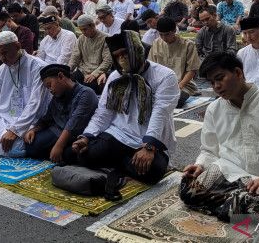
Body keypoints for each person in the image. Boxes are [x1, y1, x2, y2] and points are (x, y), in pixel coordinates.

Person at [180, 52, 259, 220]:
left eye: (220, 78)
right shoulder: (214, 109)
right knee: (187, 190)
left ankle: (234, 203)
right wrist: (200, 165)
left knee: (255, 208)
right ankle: (233, 202)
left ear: (238, 73)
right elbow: (209, 150)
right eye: (211, 82)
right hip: (229, 172)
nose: (216, 86)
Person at [71, 30, 179, 185]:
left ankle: (117, 163)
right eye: (117, 56)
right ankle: (125, 164)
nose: (121, 59)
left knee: (154, 171)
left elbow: (160, 113)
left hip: (148, 139)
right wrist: (87, 136)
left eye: (125, 53)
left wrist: (149, 147)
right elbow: (103, 112)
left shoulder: (165, 76)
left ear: (136, 50)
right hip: (118, 134)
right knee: (82, 154)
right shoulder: (116, 76)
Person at [24, 63, 98, 162]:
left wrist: (59, 146)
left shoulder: (86, 93)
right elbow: (47, 118)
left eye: (49, 85)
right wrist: (33, 130)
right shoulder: (58, 95)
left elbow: (73, 123)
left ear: (61, 76)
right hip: (57, 131)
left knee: (69, 153)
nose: (50, 90)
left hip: (76, 135)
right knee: (30, 144)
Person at [148, 17, 201, 107]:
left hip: (183, 85)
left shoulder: (188, 45)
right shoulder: (156, 43)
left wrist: (179, 86)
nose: (164, 38)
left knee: (175, 99)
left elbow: (192, 70)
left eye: (167, 34)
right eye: (161, 34)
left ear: (174, 31)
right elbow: (151, 67)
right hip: (161, 85)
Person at [68, 14, 113, 94]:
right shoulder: (81, 38)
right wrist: (67, 70)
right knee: (67, 83)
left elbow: (107, 61)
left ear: (93, 26)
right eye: (81, 30)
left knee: (87, 89)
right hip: (82, 71)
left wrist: (94, 74)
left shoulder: (106, 38)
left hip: (98, 72)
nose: (83, 32)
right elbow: (75, 57)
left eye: (85, 29)